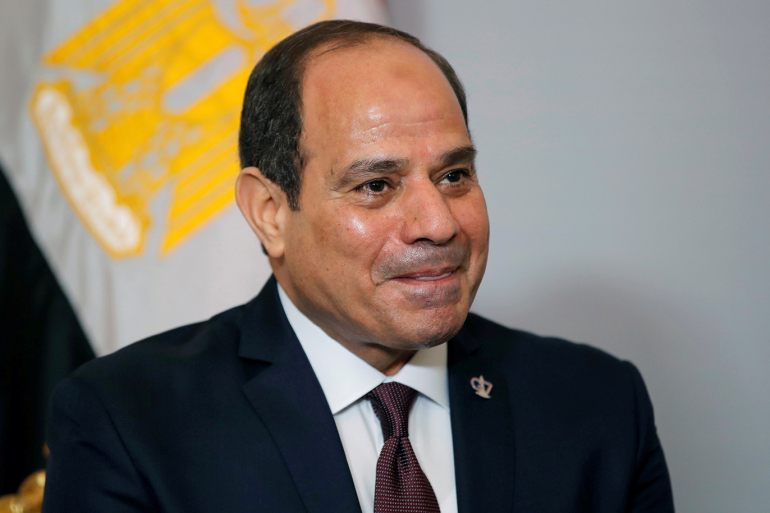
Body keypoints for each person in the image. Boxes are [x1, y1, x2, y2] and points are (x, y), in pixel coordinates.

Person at [41, 20, 674, 513]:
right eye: (376, 185)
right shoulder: (129, 421)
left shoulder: (597, 406)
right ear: (269, 212)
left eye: (455, 175)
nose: (438, 223)